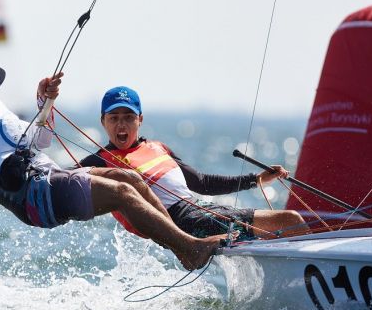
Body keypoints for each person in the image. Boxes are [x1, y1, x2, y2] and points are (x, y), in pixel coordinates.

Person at [0, 32, 229, 270]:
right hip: (30, 194)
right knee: (121, 193)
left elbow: (39, 141)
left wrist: (45, 102)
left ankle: (184, 245)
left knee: (128, 178)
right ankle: (189, 247)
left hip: (46, 176)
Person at [77, 86, 308, 241]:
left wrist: (256, 179)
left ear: (140, 120)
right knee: (289, 221)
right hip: (182, 224)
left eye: (128, 117)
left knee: (289, 223)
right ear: (103, 121)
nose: (121, 125)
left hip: (202, 209)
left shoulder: (158, 148)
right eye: (114, 118)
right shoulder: (99, 161)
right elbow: (62, 182)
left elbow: (202, 183)